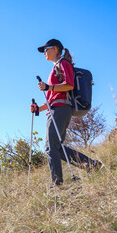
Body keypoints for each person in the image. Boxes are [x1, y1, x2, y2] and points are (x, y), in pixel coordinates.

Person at [31, 39, 101, 187]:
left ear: (55, 49)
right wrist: (38, 109)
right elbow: (51, 99)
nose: (44, 52)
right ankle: (91, 165)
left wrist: (48, 87)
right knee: (57, 147)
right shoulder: (55, 68)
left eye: (46, 49)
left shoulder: (63, 63)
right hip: (55, 109)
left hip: (61, 109)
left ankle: (57, 184)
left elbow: (69, 85)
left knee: (50, 147)